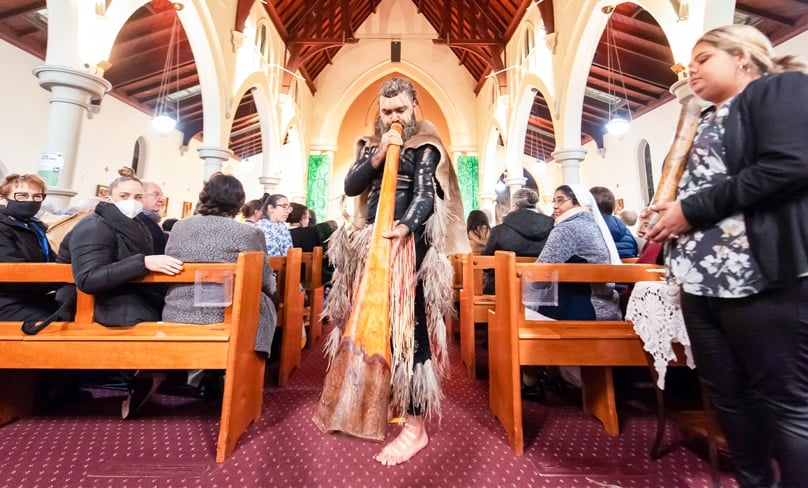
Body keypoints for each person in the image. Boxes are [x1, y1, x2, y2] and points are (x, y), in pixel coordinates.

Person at [645, 25, 808, 488]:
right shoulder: (707, 118)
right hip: (703, 281)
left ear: (743, 57)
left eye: (702, 58)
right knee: (729, 397)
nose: (690, 69)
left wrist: (689, 209)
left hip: (760, 275)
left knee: (786, 400)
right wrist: (670, 212)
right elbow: (712, 187)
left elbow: (791, 164)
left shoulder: (779, 89)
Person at [324, 77, 468, 466]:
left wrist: (404, 229)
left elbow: (424, 194)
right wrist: (377, 156)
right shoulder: (372, 144)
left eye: (401, 109)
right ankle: (378, 398)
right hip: (370, 244)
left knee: (410, 334)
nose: (394, 117)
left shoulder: (426, 143)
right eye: (387, 111)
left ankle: (416, 427)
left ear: (414, 106)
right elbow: (353, 185)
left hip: (408, 245)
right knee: (368, 327)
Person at [57, 170, 183, 418]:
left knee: (178, 310)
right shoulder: (93, 226)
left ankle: (151, 376)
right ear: (108, 196)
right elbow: (88, 278)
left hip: (119, 293)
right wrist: (143, 262)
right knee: (165, 323)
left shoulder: (134, 224)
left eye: (137, 195)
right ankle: (144, 375)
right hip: (92, 303)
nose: (132, 201)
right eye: (124, 195)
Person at [162, 173, 277, 357]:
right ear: (240, 202)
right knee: (266, 302)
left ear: (204, 195)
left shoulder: (179, 227)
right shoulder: (248, 233)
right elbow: (263, 280)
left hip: (177, 310)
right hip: (225, 314)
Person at [537, 184, 621, 321]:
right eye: (554, 201)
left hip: (584, 308)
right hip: (606, 304)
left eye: (561, 200)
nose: (555, 206)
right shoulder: (591, 222)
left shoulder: (567, 228)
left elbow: (540, 270)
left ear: (578, 202)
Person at [0, 173, 61, 320]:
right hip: (7, 300)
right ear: (2, 199)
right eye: (22, 196)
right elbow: (15, 271)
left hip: (32, 296)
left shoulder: (34, 227)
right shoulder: (3, 227)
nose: (30, 201)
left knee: (83, 308)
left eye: (37, 196)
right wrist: (59, 281)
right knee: (57, 321)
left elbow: (54, 262)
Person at [480, 187, 553, 294]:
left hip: (503, 289)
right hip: (542, 290)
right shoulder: (553, 228)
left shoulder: (499, 231)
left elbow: (486, 264)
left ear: (514, 205)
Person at [590, 186, 638, 259]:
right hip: (626, 270)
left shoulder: (584, 230)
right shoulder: (626, 232)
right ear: (613, 207)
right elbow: (634, 253)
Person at [136, 181, 168, 254]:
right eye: (155, 195)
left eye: (161, 195)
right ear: (140, 197)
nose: (161, 200)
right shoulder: (137, 220)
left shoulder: (151, 219)